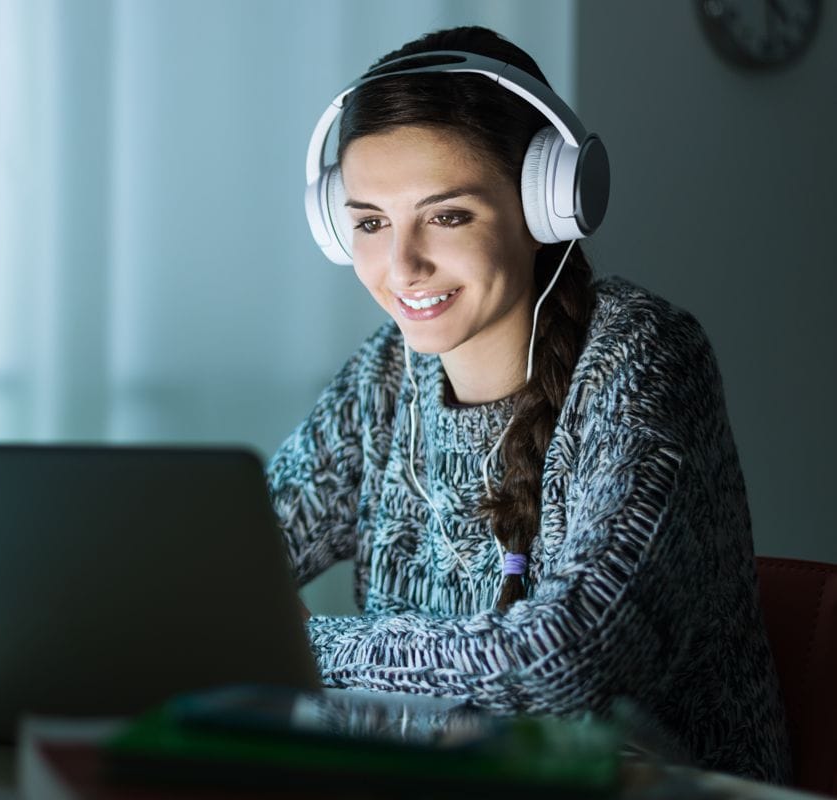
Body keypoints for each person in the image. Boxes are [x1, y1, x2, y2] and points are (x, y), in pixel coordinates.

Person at [268, 25, 789, 783]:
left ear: (546, 206)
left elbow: (564, 661)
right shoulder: (384, 376)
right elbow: (222, 561)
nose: (401, 266)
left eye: (447, 216)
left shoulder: (643, 357)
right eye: (371, 223)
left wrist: (293, 643)